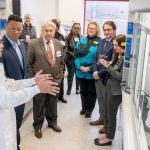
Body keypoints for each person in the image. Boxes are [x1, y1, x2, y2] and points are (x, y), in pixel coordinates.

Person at [0, 36, 60, 150]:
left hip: (6, 122)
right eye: (0, 43)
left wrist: (33, 81)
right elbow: (5, 98)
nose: (2, 45)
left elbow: (9, 84)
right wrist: (36, 89)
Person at [28, 21, 64, 138]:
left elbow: (61, 63)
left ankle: (52, 123)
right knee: (39, 104)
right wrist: (33, 81)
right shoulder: (34, 44)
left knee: (52, 103)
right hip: (40, 82)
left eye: (51, 31)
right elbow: (28, 64)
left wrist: (59, 77)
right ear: (42, 31)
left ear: (54, 32)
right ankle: (37, 126)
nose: (48, 33)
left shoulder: (58, 44)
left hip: (55, 80)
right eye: (46, 30)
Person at [0, 14, 29, 150]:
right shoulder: (1, 47)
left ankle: (16, 144)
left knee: (17, 122)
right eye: (13, 29)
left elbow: (24, 69)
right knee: (8, 126)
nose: (16, 32)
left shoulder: (22, 45)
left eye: (19, 29)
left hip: (21, 93)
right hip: (7, 97)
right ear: (6, 26)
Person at [94, 34, 126, 146]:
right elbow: (113, 68)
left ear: (124, 45)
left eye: (117, 45)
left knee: (111, 115)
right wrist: (107, 62)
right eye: (114, 45)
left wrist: (107, 66)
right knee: (107, 113)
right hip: (109, 86)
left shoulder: (126, 60)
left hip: (115, 91)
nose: (114, 47)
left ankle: (109, 138)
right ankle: (107, 133)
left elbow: (121, 76)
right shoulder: (118, 55)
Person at [90, 21, 116, 132]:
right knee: (100, 100)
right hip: (97, 76)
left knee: (107, 103)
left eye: (109, 29)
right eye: (104, 29)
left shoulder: (116, 43)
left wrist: (99, 74)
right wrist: (95, 72)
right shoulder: (102, 41)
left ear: (114, 30)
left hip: (106, 77)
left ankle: (107, 125)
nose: (106, 31)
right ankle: (102, 119)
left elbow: (112, 63)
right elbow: (96, 57)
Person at [74, 21, 101, 118]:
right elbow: (76, 54)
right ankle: (84, 107)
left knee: (91, 92)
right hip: (80, 71)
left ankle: (89, 109)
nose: (91, 30)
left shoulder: (100, 41)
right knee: (83, 91)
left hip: (92, 71)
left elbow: (100, 59)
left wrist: (89, 68)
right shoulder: (82, 40)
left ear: (97, 30)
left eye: (93, 28)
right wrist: (79, 66)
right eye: (89, 28)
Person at [51, 19, 67, 103]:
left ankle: (60, 97)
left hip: (60, 63)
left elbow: (64, 49)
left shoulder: (61, 37)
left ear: (57, 27)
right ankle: (54, 97)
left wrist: (60, 60)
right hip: (50, 63)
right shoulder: (47, 36)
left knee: (61, 80)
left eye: (55, 26)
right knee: (52, 80)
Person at [65, 22, 81, 95]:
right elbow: (65, 49)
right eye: (75, 28)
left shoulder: (82, 37)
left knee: (78, 74)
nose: (77, 29)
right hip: (70, 59)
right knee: (70, 75)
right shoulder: (68, 37)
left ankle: (77, 89)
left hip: (79, 60)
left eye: (78, 28)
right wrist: (74, 55)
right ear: (72, 28)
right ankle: (69, 89)